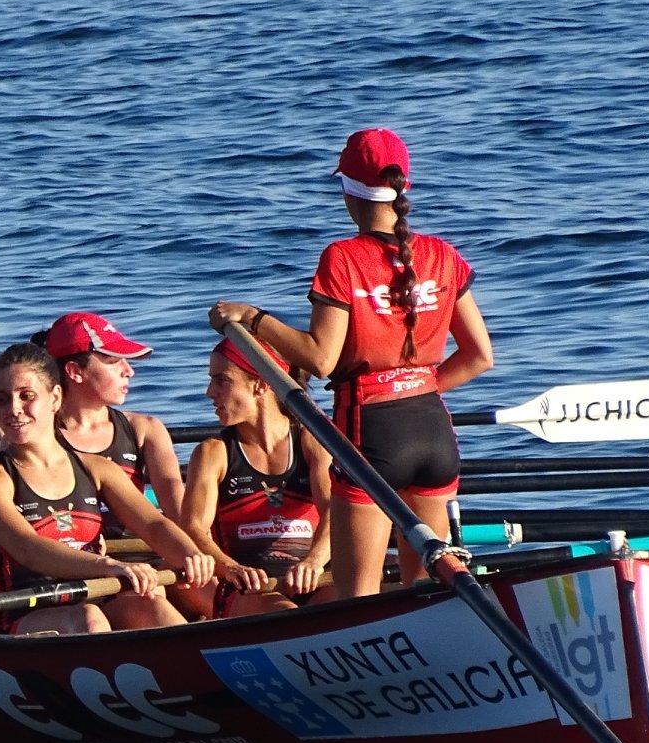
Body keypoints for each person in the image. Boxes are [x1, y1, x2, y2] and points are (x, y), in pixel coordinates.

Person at [211, 127, 494, 597]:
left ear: (347, 190)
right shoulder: (443, 254)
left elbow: (320, 358)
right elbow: (479, 357)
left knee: (356, 596)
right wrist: (415, 386)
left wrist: (253, 318)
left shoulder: (342, 258)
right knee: (425, 589)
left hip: (370, 432)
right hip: (434, 431)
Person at [0, 344, 210, 634]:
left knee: (151, 606)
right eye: (3, 400)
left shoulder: (96, 468)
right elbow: (28, 548)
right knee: (86, 618)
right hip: (27, 613)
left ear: (55, 397)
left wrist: (189, 554)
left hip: (98, 598)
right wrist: (106, 564)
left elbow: (154, 525)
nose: (14, 409)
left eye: (26, 396)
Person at [180, 339, 333, 617]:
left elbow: (336, 512)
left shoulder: (313, 442)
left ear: (261, 383)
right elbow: (193, 529)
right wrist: (231, 568)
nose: (209, 392)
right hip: (248, 590)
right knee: (286, 612)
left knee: (374, 595)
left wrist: (314, 561)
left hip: (315, 580)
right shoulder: (213, 453)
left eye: (221, 380)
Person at [46, 312, 185, 536]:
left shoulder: (144, 429)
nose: (129, 371)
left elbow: (173, 494)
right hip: (70, 561)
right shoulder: (38, 435)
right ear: (75, 371)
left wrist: (199, 550)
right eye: (113, 361)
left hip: (142, 559)